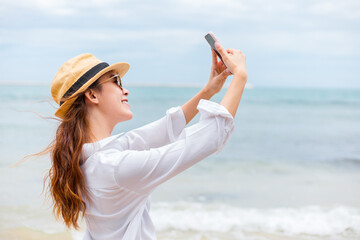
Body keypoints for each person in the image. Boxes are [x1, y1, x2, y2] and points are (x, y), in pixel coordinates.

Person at [46, 41, 247, 239]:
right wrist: (240, 76)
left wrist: (209, 90)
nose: (125, 90)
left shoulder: (89, 158)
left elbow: (162, 130)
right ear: (92, 95)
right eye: (116, 81)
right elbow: (211, 136)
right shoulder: (114, 167)